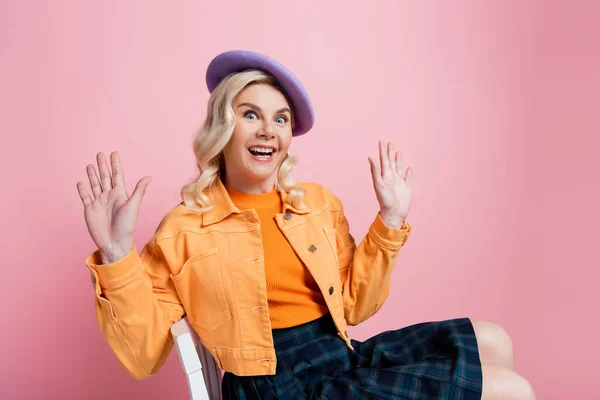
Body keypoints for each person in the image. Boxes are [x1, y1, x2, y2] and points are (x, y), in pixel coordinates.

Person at [77, 50, 535, 399]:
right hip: (273, 386)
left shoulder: (314, 204)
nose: (267, 130)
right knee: (512, 391)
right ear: (222, 126)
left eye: (281, 119)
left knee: (494, 339)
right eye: (250, 114)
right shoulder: (183, 227)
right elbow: (143, 356)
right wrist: (117, 254)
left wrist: (391, 219)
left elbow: (354, 306)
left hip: (338, 355)